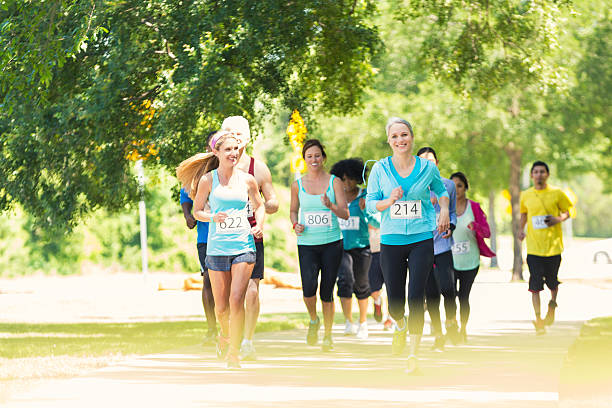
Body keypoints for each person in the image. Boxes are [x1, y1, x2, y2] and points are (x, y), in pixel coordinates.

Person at [366, 117, 450, 374]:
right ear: (389, 141)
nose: (400, 140)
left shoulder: (427, 167)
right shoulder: (380, 169)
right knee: (396, 303)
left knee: (416, 296)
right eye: (394, 137)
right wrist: (388, 201)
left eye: (404, 135)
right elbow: (370, 203)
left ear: (412, 137)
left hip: (421, 238)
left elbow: (442, 191)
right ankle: (400, 327)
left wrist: (444, 209)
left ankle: (413, 354)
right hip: (390, 240)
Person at [176, 130, 265, 368]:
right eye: (228, 149)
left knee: (237, 300)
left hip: (244, 247)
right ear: (216, 152)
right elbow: (197, 212)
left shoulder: (247, 180)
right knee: (222, 306)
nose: (233, 153)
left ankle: (234, 352)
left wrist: (259, 225)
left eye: (236, 149)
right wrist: (212, 217)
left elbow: (259, 205)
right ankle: (224, 336)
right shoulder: (207, 180)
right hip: (216, 250)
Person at [221, 116, 279, 361]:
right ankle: (227, 337)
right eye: (227, 133)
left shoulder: (259, 168)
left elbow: (272, 199)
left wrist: (271, 204)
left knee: (251, 291)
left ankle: (247, 341)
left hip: (251, 236)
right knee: (224, 296)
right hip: (223, 238)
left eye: (236, 133)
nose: (232, 137)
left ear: (246, 138)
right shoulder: (216, 167)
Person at [290, 139, 349, 351]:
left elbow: (345, 213)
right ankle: (314, 320)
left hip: (332, 243)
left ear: (323, 158)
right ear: (304, 160)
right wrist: (295, 224)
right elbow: (293, 210)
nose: (313, 159)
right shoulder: (297, 185)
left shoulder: (335, 182)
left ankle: (328, 335)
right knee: (308, 289)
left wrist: (330, 205)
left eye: (317, 155)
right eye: (309, 156)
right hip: (306, 243)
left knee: (327, 290)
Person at [519, 161, 572, 335]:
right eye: (536, 172)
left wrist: (558, 219)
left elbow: (567, 212)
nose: (539, 174)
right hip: (534, 248)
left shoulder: (557, 193)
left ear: (547, 175)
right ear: (531, 176)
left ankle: (552, 304)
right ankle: (538, 319)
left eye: (542, 172)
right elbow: (524, 214)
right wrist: (521, 230)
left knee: (552, 282)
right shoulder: (526, 195)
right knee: (535, 284)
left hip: (553, 247)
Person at [416, 147, 458, 350]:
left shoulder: (448, 185)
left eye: (430, 160)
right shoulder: (413, 187)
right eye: (423, 160)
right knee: (430, 293)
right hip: (422, 246)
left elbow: (453, 213)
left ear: (437, 163)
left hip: (442, 244)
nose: (427, 163)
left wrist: (451, 227)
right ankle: (438, 333)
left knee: (448, 288)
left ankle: (451, 322)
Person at [330, 158, 377, 339]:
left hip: (361, 247)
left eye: (350, 178)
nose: (346, 183)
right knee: (344, 280)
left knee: (362, 284)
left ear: (357, 178)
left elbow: (377, 222)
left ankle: (363, 322)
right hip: (340, 246)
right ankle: (348, 321)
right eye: (342, 179)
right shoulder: (334, 198)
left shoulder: (364, 196)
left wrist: (367, 211)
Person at [450, 171, 495, 343]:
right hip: (450, 260)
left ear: (465, 187)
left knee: (463, 297)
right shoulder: (445, 206)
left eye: (460, 185)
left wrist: (475, 225)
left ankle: (463, 328)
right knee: (450, 294)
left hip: (470, 259)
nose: (457, 189)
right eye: (453, 186)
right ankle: (452, 324)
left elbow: (487, 232)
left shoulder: (474, 207)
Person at [367, 212, 394, 330]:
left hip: (388, 250)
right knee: (374, 290)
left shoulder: (389, 205)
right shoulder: (367, 205)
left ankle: (390, 318)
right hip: (372, 253)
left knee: (391, 288)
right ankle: (377, 301)